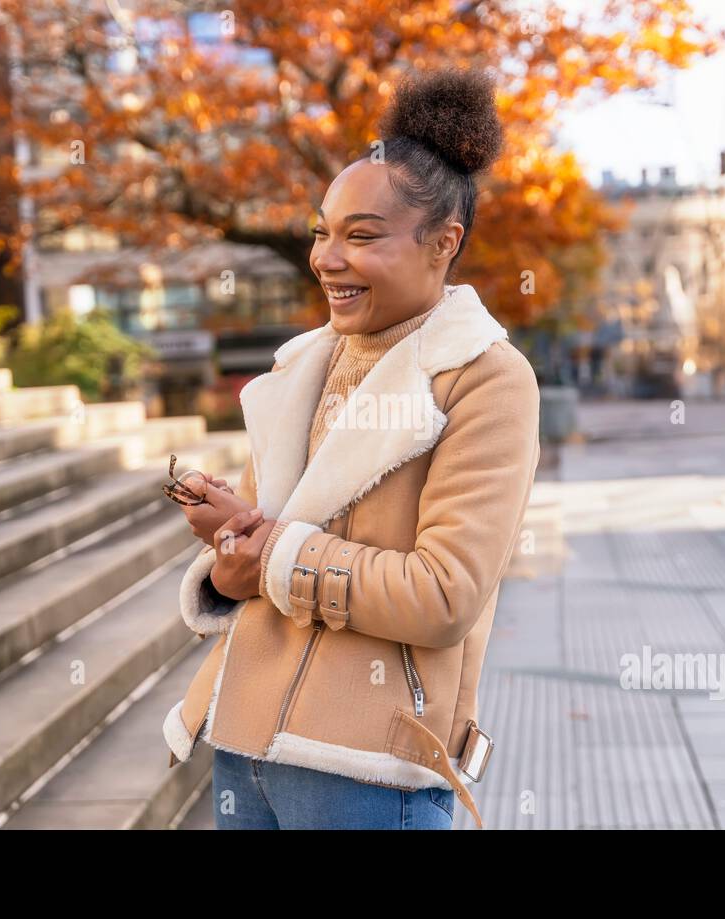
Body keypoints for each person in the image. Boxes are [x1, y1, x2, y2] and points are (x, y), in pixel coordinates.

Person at [161, 66, 540, 830]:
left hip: (367, 769)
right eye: (321, 233)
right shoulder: (301, 364)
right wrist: (232, 552)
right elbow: (264, 549)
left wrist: (271, 551)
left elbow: (442, 596)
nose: (327, 258)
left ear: (443, 243)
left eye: (361, 236)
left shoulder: (487, 378)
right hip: (243, 742)